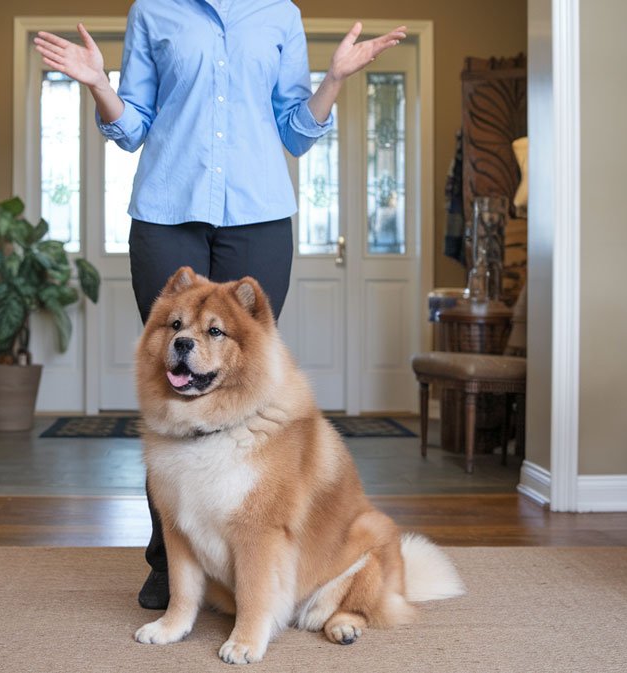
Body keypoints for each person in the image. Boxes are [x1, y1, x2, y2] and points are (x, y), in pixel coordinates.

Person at [35, 0, 405, 610]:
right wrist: (101, 84)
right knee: (171, 385)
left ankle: (249, 555)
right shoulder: (152, 12)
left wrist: (333, 79)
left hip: (258, 216)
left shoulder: (278, 14)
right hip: (165, 214)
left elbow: (294, 130)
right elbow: (132, 127)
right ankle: (170, 561)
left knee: (247, 386)